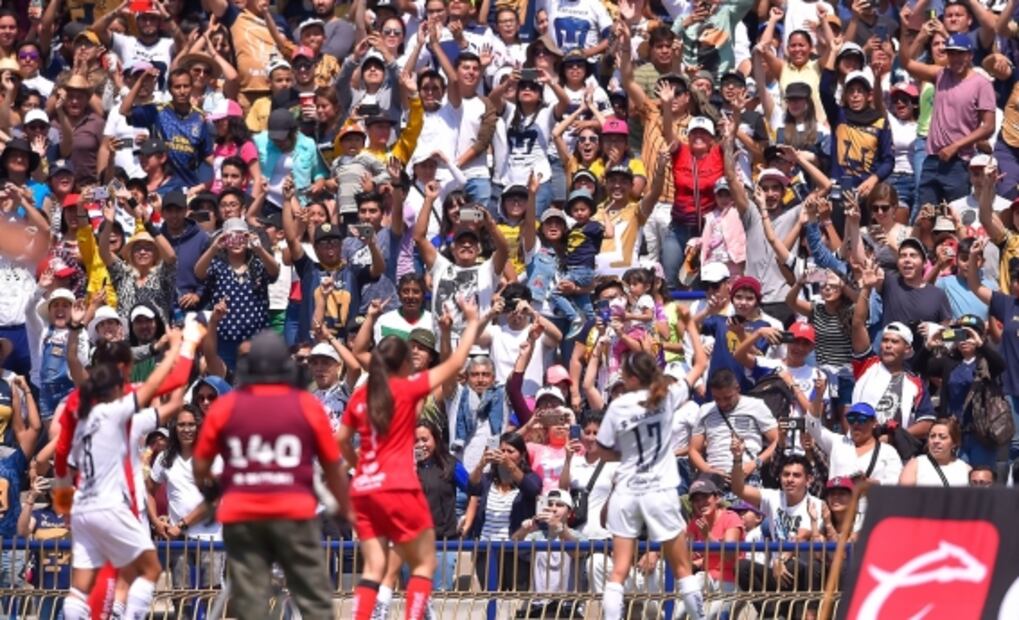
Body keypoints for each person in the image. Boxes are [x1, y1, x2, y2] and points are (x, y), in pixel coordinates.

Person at [338, 298, 481, 620]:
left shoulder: (361, 394)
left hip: (365, 488)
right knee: (424, 561)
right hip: (399, 485)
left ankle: (371, 610)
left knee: (375, 566)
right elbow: (457, 362)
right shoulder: (407, 388)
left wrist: (360, 465)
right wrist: (472, 320)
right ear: (403, 363)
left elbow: (341, 441)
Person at [192, 330, 351, 620]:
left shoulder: (226, 407)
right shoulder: (306, 405)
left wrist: (214, 490)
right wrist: (346, 509)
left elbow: (200, 466)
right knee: (315, 601)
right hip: (294, 516)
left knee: (252, 605)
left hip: (243, 518)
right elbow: (333, 465)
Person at [59, 331, 183, 620]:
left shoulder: (81, 419)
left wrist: (64, 510)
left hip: (82, 508)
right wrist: (179, 348)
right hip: (113, 504)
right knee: (149, 569)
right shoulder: (116, 410)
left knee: (81, 587)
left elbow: (63, 468)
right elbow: (160, 387)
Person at [596, 351, 706, 620]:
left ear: (633, 378)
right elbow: (701, 363)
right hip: (659, 490)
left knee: (618, 571)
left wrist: (627, 455)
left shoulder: (619, 406)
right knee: (682, 568)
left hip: (626, 489)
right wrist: (692, 330)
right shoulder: (665, 396)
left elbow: (601, 450)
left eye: (624, 374)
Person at [899, 418, 972, 486]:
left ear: (954, 443)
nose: (936, 441)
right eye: (932, 436)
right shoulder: (916, 464)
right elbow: (905, 494)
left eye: (942, 437)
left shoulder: (965, 469)